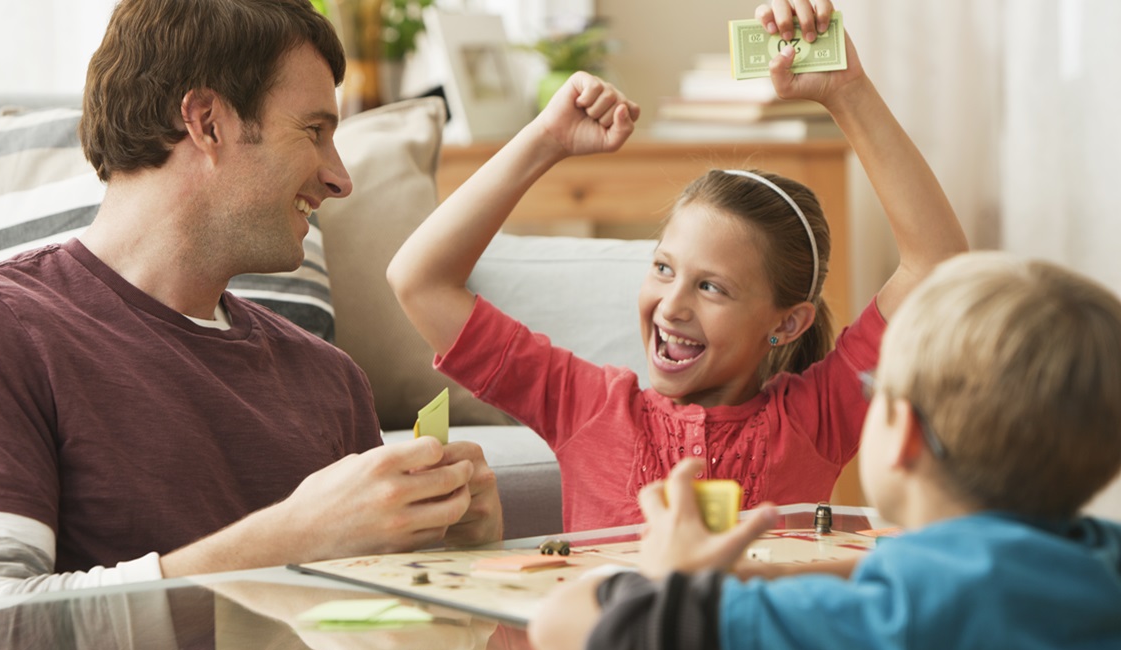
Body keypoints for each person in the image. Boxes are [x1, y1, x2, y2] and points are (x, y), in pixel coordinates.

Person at [0, 0, 502, 603]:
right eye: (314, 131)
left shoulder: (330, 381)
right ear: (207, 122)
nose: (340, 178)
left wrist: (458, 554)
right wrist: (291, 540)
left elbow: (380, 632)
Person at [387, 0, 967, 532]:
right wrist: (544, 140)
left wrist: (850, 93)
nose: (672, 305)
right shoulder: (584, 405)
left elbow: (938, 269)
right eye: (664, 269)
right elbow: (418, 282)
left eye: (711, 286)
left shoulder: (815, 419)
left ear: (787, 323)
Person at [527, 250, 1121, 650]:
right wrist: (759, 579)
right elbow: (940, 578)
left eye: (873, 389)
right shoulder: (1101, 558)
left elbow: (561, 626)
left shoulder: (881, 626)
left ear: (904, 432)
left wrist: (671, 577)